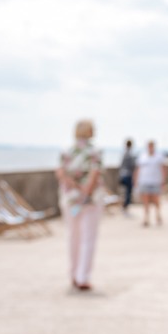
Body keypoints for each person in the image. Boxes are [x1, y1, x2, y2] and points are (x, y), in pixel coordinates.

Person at [59, 119, 103, 291]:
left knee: (73, 237)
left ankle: (73, 274)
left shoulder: (66, 151)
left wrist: (75, 187)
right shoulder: (94, 151)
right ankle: (83, 276)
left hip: (70, 199)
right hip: (89, 200)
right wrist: (85, 192)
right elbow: (95, 173)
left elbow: (61, 173)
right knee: (88, 238)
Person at [139, 138, 164, 227]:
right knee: (145, 200)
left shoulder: (159, 156)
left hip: (156, 181)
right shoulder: (143, 156)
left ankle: (158, 215)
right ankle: (146, 217)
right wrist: (136, 180)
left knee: (156, 199)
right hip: (144, 180)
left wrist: (163, 180)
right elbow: (138, 169)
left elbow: (163, 168)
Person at [119, 137, 138, 212]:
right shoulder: (131, 154)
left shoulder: (124, 153)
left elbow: (121, 165)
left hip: (123, 174)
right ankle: (125, 205)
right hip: (128, 175)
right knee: (128, 191)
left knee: (123, 191)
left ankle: (123, 205)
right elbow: (133, 166)